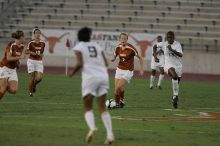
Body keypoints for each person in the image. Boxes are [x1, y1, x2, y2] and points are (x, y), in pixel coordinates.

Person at [69, 27, 114, 144]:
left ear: (79, 37)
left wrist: (72, 73)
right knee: (102, 107)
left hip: (90, 78)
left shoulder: (79, 47)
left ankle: (92, 127)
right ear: (89, 36)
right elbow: (106, 63)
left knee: (88, 107)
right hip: (103, 76)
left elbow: (79, 63)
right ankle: (109, 134)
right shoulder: (97, 46)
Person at [111, 33, 144, 108]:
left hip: (128, 71)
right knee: (119, 88)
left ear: (127, 39)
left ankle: (117, 104)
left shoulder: (131, 48)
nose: (123, 40)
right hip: (119, 69)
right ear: (119, 39)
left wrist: (141, 68)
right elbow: (114, 55)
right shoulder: (117, 47)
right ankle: (122, 101)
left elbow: (141, 58)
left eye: (125, 39)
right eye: (122, 38)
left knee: (117, 88)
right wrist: (113, 58)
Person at [156, 31, 183, 108]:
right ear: (166, 38)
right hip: (168, 65)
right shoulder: (164, 44)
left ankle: (174, 97)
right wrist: (155, 56)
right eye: (168, 37)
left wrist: (172, 50)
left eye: (171, 37)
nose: (169, 39)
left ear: (173, 38)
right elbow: (155, 46)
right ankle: (176, 96)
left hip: (178, 66)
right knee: (174, 76)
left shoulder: (177, 44)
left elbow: (181, 55)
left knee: (177, 82)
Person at [0, 30, 26, 100]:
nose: (24, 38)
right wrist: (20, 57)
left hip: (12, 70)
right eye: (24, 37)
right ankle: (3, 85)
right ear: (21, 37)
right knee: (2, 89)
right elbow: (8, 58)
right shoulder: (11, 45)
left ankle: (4, 85)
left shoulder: (22, 47)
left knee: (14, 90)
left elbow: (18, 60)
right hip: (4, 67)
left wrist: (18, 63)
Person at [26, 28, 45, 97]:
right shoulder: (31, 43)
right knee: (32, 77)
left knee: (39, 78)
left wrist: (41, 55)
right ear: (34, 34)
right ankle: (31, 93)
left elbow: (41, 52)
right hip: (31, 61)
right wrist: (32, 52)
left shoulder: (43, 43)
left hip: (39, 61)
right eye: (36, 33)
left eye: (39, 33)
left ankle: (34, 85)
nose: (38, 34)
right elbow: (26, 51)